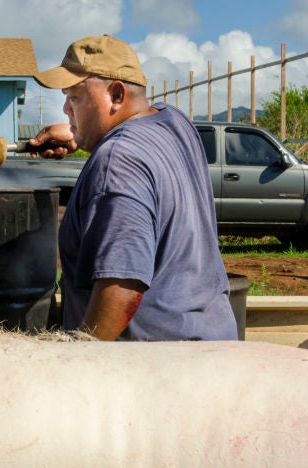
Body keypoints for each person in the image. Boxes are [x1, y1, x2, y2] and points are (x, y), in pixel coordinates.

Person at [29, 34, 237, 341]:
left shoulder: (118, 160)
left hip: (153, 371)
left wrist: (78, 362)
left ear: (115, 95)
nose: (65, 109)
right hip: (210, 345)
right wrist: (81, 134)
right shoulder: (175, 122)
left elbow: (122, 286)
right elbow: (138, 141)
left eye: (74, 98)